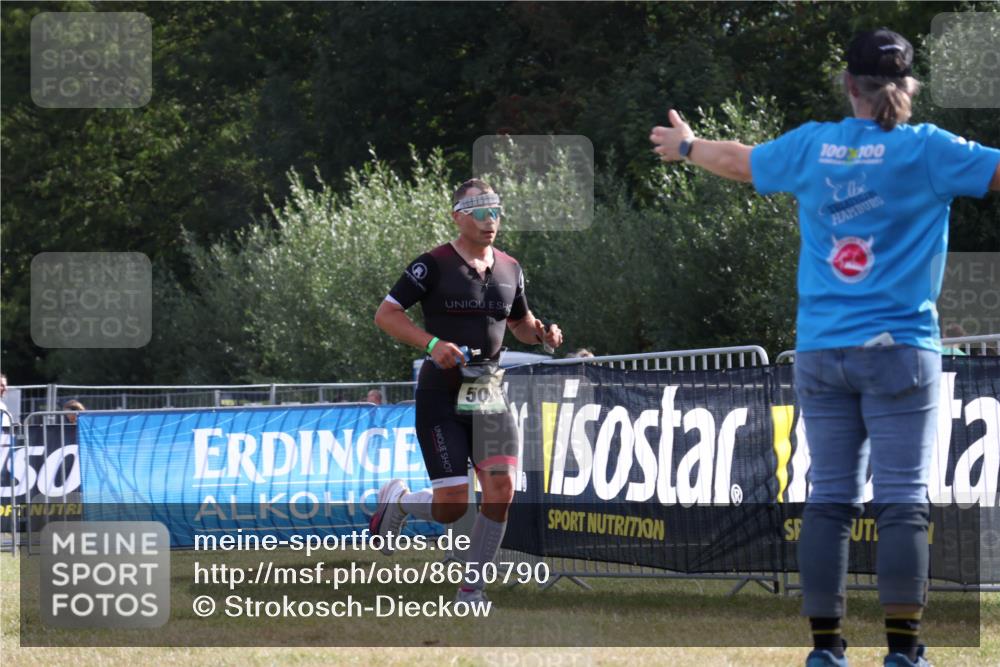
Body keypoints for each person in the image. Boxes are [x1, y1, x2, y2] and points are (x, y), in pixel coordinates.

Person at [650, 28, 1000, 667]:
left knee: (828, 500)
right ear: (910, 86)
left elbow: (742, 162)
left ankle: (826, 651)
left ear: (847, 84)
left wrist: (688, 145)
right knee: (902, 502)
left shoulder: (815, 146)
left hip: (819, 352)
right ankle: (903, 653)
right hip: (901, 350)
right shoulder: (928, 150)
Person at [372, 178, 563, 603]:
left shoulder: (511, 268)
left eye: (495, 211)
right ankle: (400, 501)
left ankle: (471, 588)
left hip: (487, 392)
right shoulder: (432, 265)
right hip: (441, 393)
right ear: (458, 217)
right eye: (479, 212)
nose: (489, 220)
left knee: (502, 491)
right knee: (453, 506)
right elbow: (386, 315)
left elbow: (519, 323)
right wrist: (432, 344)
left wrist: (543, 335)